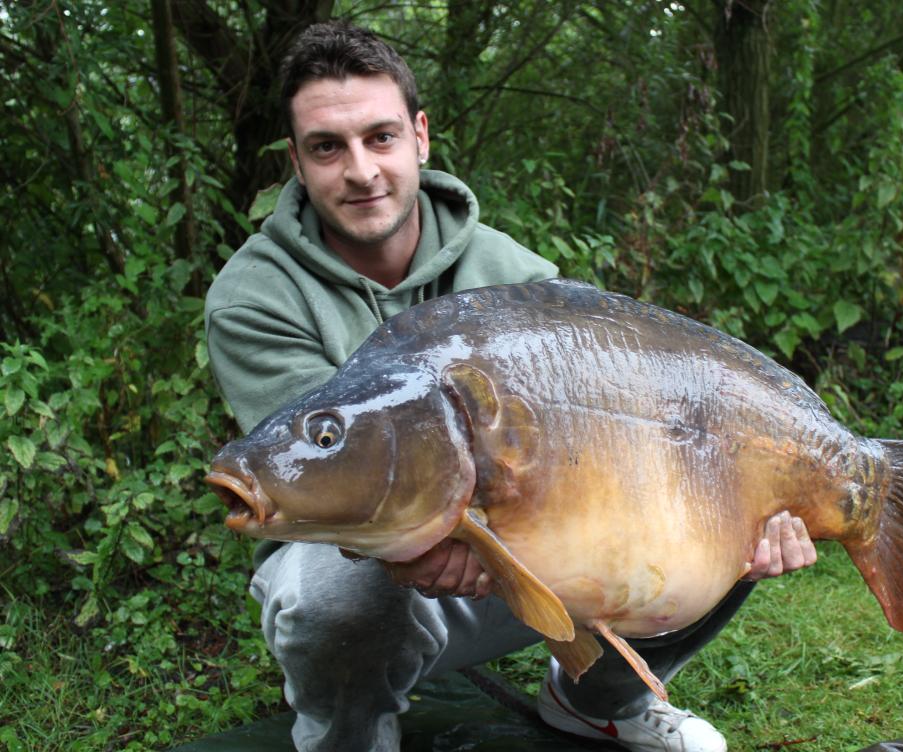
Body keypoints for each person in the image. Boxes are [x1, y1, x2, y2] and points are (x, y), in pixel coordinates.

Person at [204, 21, 818, 752]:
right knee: (329, 594)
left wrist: (744, 508)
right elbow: (320, 477)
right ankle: (352, 739)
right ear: (297, 163)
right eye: (327, 147)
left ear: (420, 137)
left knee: (711, 508)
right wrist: (432, 537)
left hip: (531, 550)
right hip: (366, 562)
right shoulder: (254, 295)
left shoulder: (513, 277)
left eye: (380, 137)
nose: (362, 171)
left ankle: (597, 699)